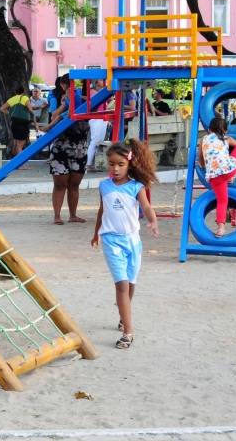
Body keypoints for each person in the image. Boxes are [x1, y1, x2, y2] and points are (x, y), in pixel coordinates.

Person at [90, 138, 159, 350]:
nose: (116, 168)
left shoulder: (136, 187)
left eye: (120, 164)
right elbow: (103, 211)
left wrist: (153, 220)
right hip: (111, 241)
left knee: (130, 283)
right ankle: (128, 333)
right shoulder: (104, 186)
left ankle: (123, 314)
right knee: (121, 284)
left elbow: (146, 207)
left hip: (132, 241)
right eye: (111, 164)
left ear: (130, 163)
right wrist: (97, 233)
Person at [197, 116, 236, 238]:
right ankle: (232, 176)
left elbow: (201, 159)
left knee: (222, 201)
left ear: (209, 130)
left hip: (214, 176)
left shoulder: (203, 140)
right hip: (228, 172)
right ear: (225, 131)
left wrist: (201, 166)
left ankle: (221, 228)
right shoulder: (227, 138)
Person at [41, 75, 89, 225]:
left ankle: (72, 215)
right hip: (62, 149)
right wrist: (64, 106)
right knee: (61, 185)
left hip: (79, 150)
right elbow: (55, 115)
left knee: (74, 185)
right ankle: (57, 216)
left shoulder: (77, 95)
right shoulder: (71, 94)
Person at [0, 85, 33, 168]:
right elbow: (31, 110)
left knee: (15, 143)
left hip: (14, 123)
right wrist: (35, 122)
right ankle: (21, 164)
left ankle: (14, 163)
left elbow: (2, 108)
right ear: (24, 91)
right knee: (20, 145)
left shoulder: (12, 99)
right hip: (23, 123)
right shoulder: (25, 98)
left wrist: (10, 114)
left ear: (15, 91)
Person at [87, 78, 109, 171]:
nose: (103, 82)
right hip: (96, 117)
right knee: (95, 140)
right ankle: (88, 164)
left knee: (100, 141)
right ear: (96, 82)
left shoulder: (103, 91)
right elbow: (97, 101)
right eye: (100, 80)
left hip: (103, 117)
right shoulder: (93, 91)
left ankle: (97, 162)